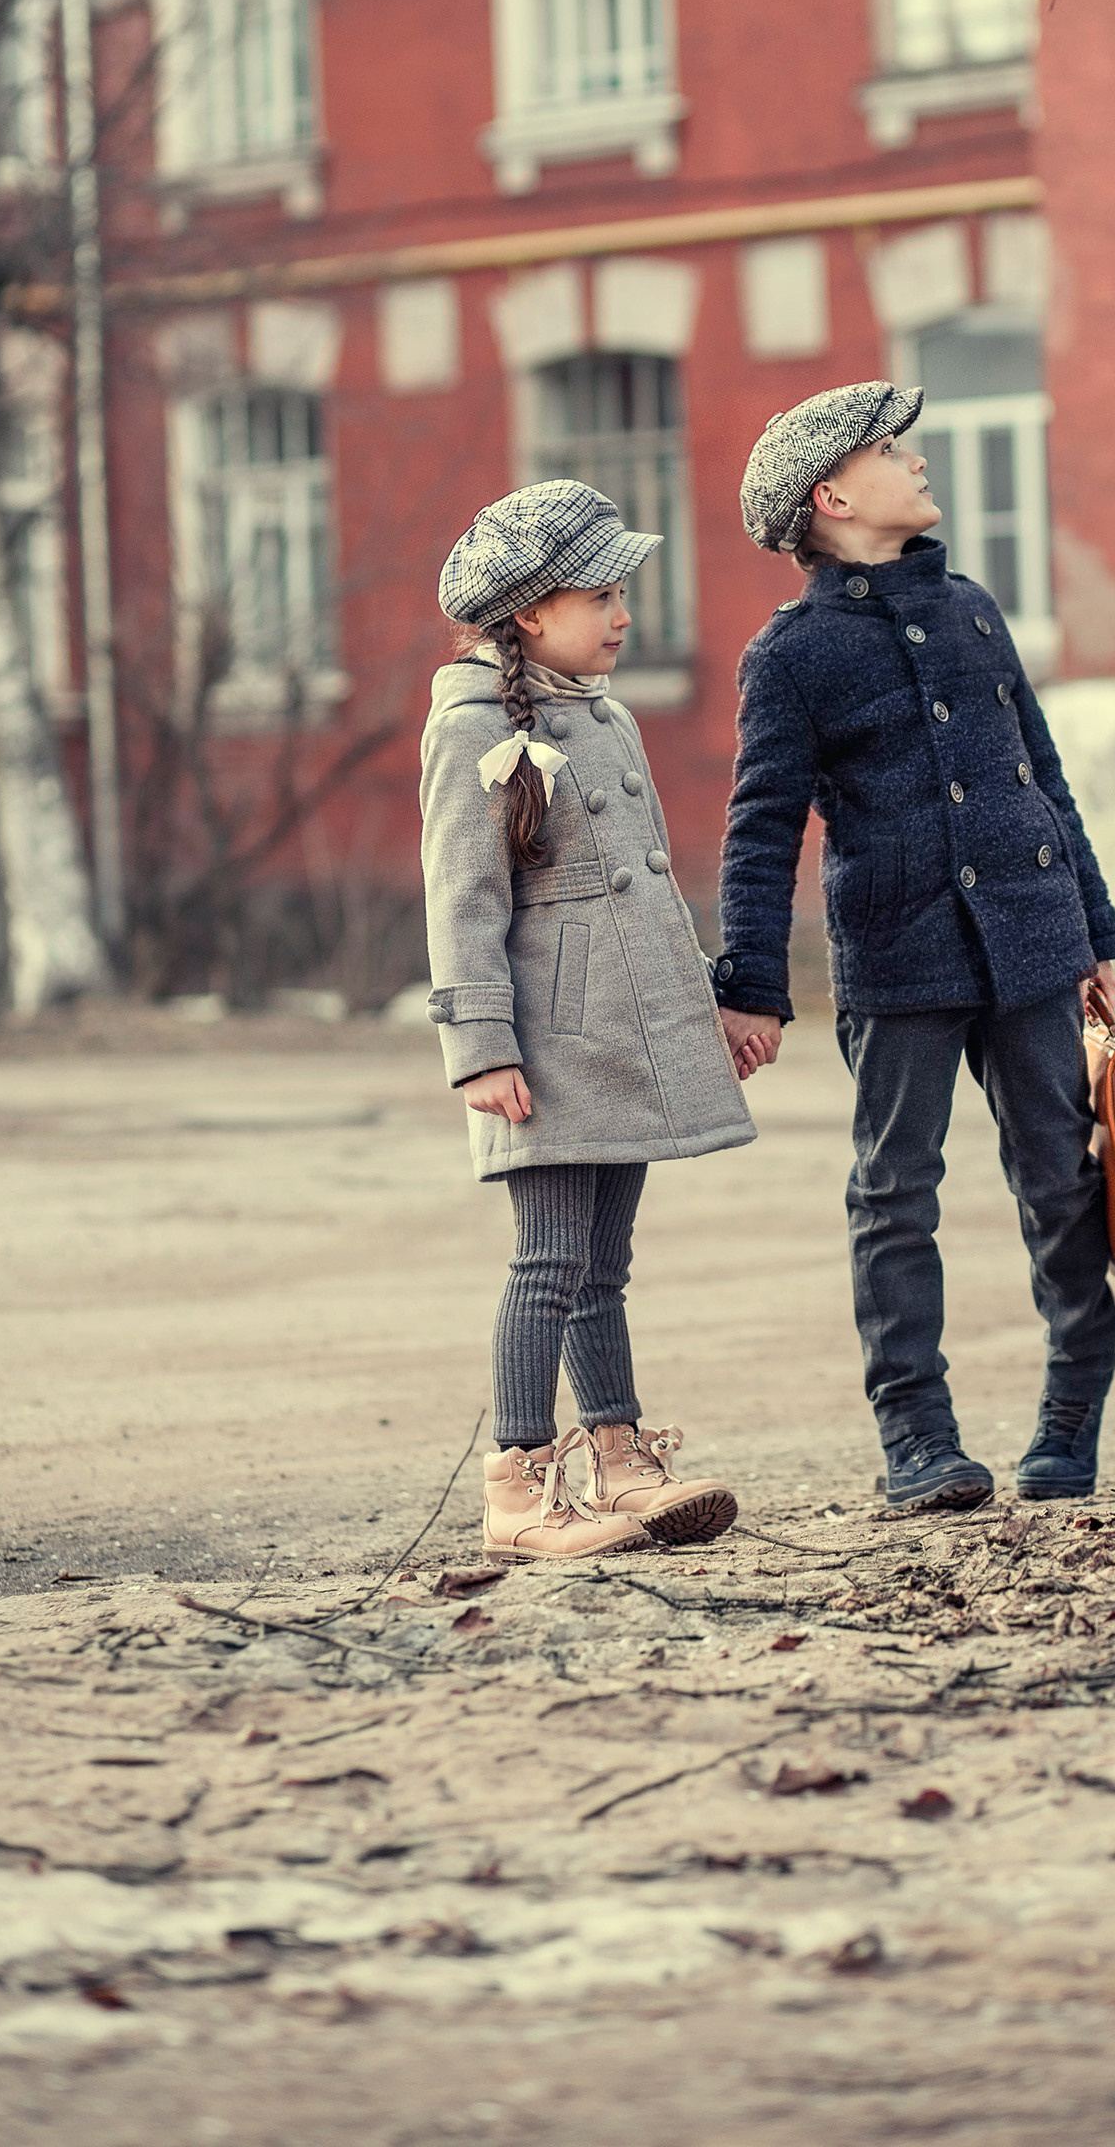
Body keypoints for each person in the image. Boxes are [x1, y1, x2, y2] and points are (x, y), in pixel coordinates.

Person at [711, 384, 1115, 1513]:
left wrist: (1094, 927)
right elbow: (760, 829)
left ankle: (1071, 1415)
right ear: (833, 497)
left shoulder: (973, 610)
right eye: (890, 451)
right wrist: (751, 984)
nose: (917, 461)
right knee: (895, 1192)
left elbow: (1042, 774)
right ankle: (918, 1439)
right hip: (899, 957)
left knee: (1060, 1179)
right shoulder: (790, 657)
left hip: (1034, 939)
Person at [424, 481, 767, 1560]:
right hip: (546, 1048)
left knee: (602, 1268)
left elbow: (647, 900)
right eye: (600, 596)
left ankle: (619, 1459)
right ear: (530, 613)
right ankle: (518, 1491)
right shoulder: (472, 729)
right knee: (547, 1263)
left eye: (624, 593)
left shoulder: (605, 717)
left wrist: (704, 1009)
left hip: (623, 1041)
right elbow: (462, 901)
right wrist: (480, 1050)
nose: (623, 615)